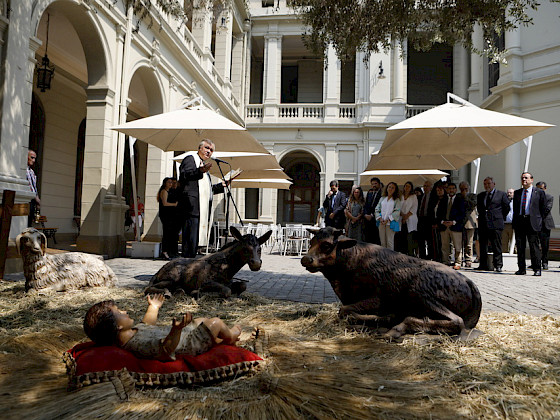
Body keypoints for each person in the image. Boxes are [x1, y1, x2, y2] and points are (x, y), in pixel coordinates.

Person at [83, 294, 241, 361]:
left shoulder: (133, 333)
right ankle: (231, 336)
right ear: (117, 326)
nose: (125, 311)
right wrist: (176, 330)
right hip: (185, 346)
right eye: (120, 312)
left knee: (201, 320)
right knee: (215, 323)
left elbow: (147, 324)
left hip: (184, 335)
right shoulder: (137, 345)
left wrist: (154, 307)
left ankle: (218, 339)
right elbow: (166, 349)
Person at [178, 139, 227, 258]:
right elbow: (185, 174)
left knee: (194, 241)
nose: (209, 152)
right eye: (207, 148)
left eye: (211, 150)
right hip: (191, 206)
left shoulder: (204, 168)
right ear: (199, 148)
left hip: (200, 209)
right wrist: (200, 170)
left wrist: (222, 186)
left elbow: (207, 190)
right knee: (189, 239)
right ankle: (185, 263)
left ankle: (190, 261)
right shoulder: (190, 159)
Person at [513, 172, 546, 276]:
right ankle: (521, 269)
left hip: (532, 222)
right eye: (522, 178)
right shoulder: (518, 193)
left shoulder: (539, 192)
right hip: (520, 221)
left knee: (534, 246)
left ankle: (537, 269)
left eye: (526, 178)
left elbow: (543, 208)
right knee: (520, 246)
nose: (524, 180)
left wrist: (539, 222)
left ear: (532, 179)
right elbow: (515, 209)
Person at [476, 177, 510, 272]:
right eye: (485, 184)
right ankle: (483, 264)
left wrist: (500, 217)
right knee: (483, 245)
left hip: (496, 223)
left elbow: (506, 207)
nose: (487, 186)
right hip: (483, 223)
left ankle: (498, 264)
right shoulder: (481, 195)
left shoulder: (501, 194)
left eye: (489, 183)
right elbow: (479, 208)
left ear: (494, 184)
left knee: (496, 245)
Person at [437, 183, 466, 269]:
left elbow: (463, 214)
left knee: (457, 246)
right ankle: (445, 261)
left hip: (456, 226)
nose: (451, 190)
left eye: (453, 188)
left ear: (456, 190)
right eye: (449, 188)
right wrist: (442, 221)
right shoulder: (443, 200)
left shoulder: (460, 200)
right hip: (444, 226)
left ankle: (457, 262)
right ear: (447, 190)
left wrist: (453, 222)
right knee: (445, 246)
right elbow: (439, 213)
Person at [375, 182, 401, 250]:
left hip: (390, 223)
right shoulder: (382, 198)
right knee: (382, 242)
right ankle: (383, 258)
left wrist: (388, 219)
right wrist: (380, 218)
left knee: (390, 242)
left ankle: (390, 259)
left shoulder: (397, 200)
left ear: (395, 190)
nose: (390, 189)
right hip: (381, 222)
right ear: (387, 188)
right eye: (389, 187)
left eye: (392, 188)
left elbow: (397, 211)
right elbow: (377, 209)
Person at [158, 177, 179, 260]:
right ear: (165, 183)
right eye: (169, 182)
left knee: (169, 233)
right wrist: (174, 204)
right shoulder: (164, 191)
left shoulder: (169, 191)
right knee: (166, 233)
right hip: (165, 215)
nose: (171, 184)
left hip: (169, 215)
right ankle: (164, 251)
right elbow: (165, 203)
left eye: (171, 182)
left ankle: (168, 251)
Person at [535, 181, 554, 270]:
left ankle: (545, 262)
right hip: (535, 224)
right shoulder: (533, 197)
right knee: (535, 244)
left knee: (545, 244)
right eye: (538, 188)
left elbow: (547, 209)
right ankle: (536, 262)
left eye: (541, 188)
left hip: (545, 223)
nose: (539, 190)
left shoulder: (549, 197)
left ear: (545, 189)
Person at [397, 181, 418, 256]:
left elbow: (414, 208)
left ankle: (410, 254)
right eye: (406, 186)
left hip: (410, 218)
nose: (407, 187)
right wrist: (402, 215)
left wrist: (406, 216)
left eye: (409, 186)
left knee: (410, 238)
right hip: (401, 218)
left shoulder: (414, 196)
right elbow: (398, 206)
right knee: (401, 237)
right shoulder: (400, 196)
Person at [427, 182, 446, 263]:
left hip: (442, 224)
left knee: (442, 243)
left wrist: (439, 223)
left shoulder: (445, 200)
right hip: (434, 223)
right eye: (437, 190)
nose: (439, 192)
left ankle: (441, 257)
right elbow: (432, 212)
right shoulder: (434, 200)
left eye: (440, 190)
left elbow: (444, 213)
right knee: (435, 242)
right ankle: (435, 256)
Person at [459, 181, 477, 268]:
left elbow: (472, 205)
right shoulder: (458, 196)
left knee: (469, 243)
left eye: (465, 189)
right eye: (462, 189)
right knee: (460, 243)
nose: (464, 191)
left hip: (470, 223)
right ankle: (459, 259)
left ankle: (468, 259)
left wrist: (465, 196)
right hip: (460, 222)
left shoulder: (473, 196)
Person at [416, 180, 433, 259]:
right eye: (424, 186)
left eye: (427, 186)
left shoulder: (433, 197)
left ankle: (430, 256)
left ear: (431, 187)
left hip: (429, 220)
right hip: (420, 220)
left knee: (429, 240)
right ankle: (422, 256)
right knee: (420, 239)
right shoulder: (420, 197)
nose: (425, 187)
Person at [363, 177, 382, 245]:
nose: (374, 185)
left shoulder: (382, 194)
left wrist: (372, 215)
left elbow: (380, 207)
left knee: (375, 239)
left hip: (376, 219)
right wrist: (365, 214)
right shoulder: (369, 193)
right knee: (368, 239)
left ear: (379, 184)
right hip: (367, 220)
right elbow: (366, 205)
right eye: (372, 184)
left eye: (375, 184)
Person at [26, 150, 40, 227]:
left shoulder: (31, 172)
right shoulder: (23, 170)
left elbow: (34, 186)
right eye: (32, 158)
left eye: (35, 158)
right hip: (26, 199)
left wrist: (37, 198)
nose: (33, 160)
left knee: (30, 222)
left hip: (32, 200)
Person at [501, 188, 515, 254]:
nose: (509, 194)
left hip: (513, 225)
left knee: (513, 243)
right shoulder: (503, 202)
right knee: (504, 242)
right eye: (508, 193)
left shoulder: (516, 203)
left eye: (511, 193)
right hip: (504, 225)